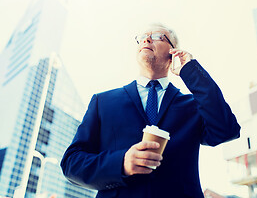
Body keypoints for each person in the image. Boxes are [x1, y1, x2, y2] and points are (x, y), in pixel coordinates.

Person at [60, 23, 241, 198]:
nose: (146, 40)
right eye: (142, 38)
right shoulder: (103, 102)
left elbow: (226, 131)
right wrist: (121, 163)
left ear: (173, 52)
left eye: (156, 37)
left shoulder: (193, 106)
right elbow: (72, 163)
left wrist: (192, 71)